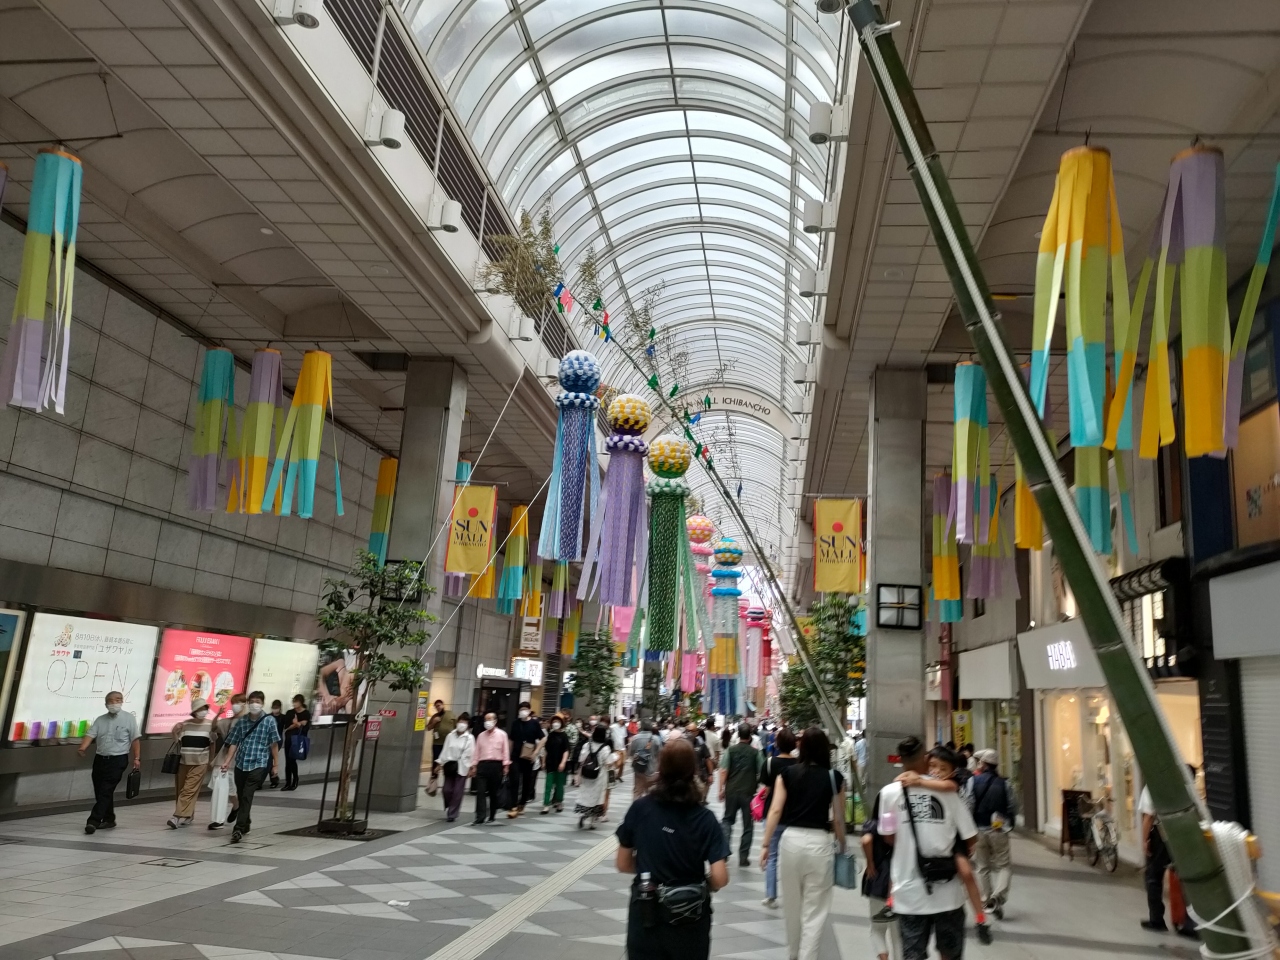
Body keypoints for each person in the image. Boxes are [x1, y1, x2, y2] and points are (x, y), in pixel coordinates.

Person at [616, 738, 731, 960]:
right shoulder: (705, 819)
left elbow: (622, 863)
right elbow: (720, 877)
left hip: (646, 916)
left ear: (660, 767)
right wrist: (703, 883)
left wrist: (649, 866)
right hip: (690, 920)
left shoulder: (640, 809)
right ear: (694, 771)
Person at [877, 737, 979, 960]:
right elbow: (971, 837)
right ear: (925, 758)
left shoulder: (888, 793)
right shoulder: (948, 793)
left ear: (901, 760)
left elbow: (888, 837)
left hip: (908, 894)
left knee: (913, 956)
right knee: (950, 954)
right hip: (948, 895)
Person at [759, 726, 846, 960]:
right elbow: (838, 818)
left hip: (790, 842)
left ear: (802, 747)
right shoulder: (835, 778)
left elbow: (775, 810)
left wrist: (766, 845)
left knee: (792, 906)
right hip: (820, 844)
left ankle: (793, 954)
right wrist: (842, 845)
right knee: (815, 912)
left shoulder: (787, 774)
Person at [901, 747, 990, 942]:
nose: (936, 772)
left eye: (942, 768)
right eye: (933, 766)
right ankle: (891, 901)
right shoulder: (922, 779)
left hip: (956, 835)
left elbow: (946, 787)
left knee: (966, 873)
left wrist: (919, 781)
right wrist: (911, 777)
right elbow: (902, 778)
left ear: (952, 772)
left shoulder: (951, 785)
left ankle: (980, 917)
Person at [1140, 766, 1198, 938]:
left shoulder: (1154, 783)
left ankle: (1156, 920)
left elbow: (1149, 816)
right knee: (1186, 878)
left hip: (1161, 834)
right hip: (1185, 833)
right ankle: (1190, 923)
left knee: (1153, 876)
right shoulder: (1186, 782)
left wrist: (1144, 840)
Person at [220, 690, 282, 844]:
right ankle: (246, 822)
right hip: (241, 763)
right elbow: (234, 742)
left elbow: (274, 744)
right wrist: (227, 761)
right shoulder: (242, 721)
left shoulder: (269, 721)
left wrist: (275, 764)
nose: (255, 704)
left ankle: (238, 828)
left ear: (263, 704)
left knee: (247, 794)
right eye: (252, 701)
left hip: (259, 763)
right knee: (242, 795)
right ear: (248, 703)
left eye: (258, 702)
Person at [77, 691, 141, 834]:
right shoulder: (100, 720)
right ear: (106, 704)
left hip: (118, 759)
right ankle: (109, 818)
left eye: (118, 700)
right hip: (100, 759)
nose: (115, 703)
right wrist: (82, 748)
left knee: (106, 790)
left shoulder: (129, 718)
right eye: (111, 701)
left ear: (122, 701)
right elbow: (90, 734)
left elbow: (135, 739)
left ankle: (93, 821)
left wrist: (137, 758)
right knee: (101, 790)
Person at [968, 749, 1015, 919]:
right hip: (999, 829)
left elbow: (969, 804)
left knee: (982, 867)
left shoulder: (973, 781)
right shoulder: (1005, 783)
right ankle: (998, 895)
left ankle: (987, 900)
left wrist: (969, 829)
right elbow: (1012, 806)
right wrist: (1009, 822)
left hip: (979, 829)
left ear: (983, 764)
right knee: (1004, 866)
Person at [862, 773, 901, 960]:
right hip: (900, 879)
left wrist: (870, 863)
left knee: (877, 928)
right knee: (898, 934)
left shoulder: (873, 824)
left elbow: (866, 840)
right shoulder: (903, 826)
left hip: (878, 878)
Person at [760, 727, 798, 907]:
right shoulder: (799, 764)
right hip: (793, 814)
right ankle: (793, 894)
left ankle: (771, 895)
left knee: (772, 855)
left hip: (772, 813)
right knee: (792, 857)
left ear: (777, 744)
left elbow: (766, 788)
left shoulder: (769, 763)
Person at [719, 722, 763, 868]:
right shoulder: (755, 753)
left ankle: (724, 852)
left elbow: (723, 771)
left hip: (731, 791)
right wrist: (757, 783)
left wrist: (721, 789)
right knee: (747, 825)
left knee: (727, 820)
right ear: (750, 736)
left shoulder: (730, 751)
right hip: (748, 792)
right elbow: (762, 771)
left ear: (738, 735)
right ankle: (743, 857)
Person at [168, 697, 214, 829]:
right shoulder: (185, 725)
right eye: (200, 709)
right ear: (194, 711)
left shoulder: (210, 725)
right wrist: (174, 731)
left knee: (189, 789)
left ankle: (177, 817)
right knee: (181, 789)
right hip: (183, 761)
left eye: (204, 708)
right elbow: (178, 742)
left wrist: (211, 761)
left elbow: (212, 744)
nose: (203, 711)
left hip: (200, 762)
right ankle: (188, 815)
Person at [208, 693, 246, 829]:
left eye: (239, 702)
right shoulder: (228, 721)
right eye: (234, 703)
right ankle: (219, 819)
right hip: (222, 759)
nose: (235, 706)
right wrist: (218, 714)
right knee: (220, 788)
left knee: (231, 790)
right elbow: (214, 727)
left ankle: (235, 808)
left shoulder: (247, 721)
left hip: (237, 760)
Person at [470, 711, 510, 825]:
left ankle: (492, 815)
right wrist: (474, 765)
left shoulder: (502, 734)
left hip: (496, 766)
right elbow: (477, 752)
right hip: (482, 765)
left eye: (489, 719)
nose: (487, 722)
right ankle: (480, 816)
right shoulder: (481, 736)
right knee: (480, 792)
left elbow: (505, 751)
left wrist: (506, 765)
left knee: (493, 792)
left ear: (495, 721)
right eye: (485, 719)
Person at [435, 712, 474, 822]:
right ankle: (449, 804)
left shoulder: (470, 738)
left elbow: (472, 754)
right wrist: (439, 763)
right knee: (446, 790)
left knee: (457, 792)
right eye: (461, 721)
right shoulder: (450, 736)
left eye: (465, 722)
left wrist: (471, 768)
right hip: (450, 765)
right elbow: (445, 750)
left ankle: (452, 814)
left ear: (468, 725)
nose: (462, 724)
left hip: (462, 767)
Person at [507, 701, 544, 818]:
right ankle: (513, 805)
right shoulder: (515, 723)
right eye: (521, 709)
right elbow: (511, 740)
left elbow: (543, 738)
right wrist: (508, 756)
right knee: (514, 780)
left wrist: (536, 752)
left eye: (525, 709)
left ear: (529, 710)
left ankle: (522, 804)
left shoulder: (534, 723)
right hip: (515, 756)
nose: (523, 711)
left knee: (527, 781)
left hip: (528, 757)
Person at [574, 724, 614, 829]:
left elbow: (581, 759)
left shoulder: (587, 745)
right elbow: (609, 762)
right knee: (597, 798)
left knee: (585, 795)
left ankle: (583, 815)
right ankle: (592, 822)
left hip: (586, 774)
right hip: (599, 776)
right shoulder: (605, 748)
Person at [541, 714, 570, 813]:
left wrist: (563, 762)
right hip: (550, 763)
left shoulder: (564, 736)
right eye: (554, 722)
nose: (555, 723)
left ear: (561, 723)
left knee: (559, 785)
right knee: (548, 784)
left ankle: (559, 802)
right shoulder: (550, 735)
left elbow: (566, 750)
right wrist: (543, 762)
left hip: (560, 763)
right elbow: (546, 750)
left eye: (557, 721)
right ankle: (546, 804)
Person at [280, 694, 310, 791]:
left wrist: (297, 723)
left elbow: (305, 727)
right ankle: (288, 782)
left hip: (298, 739)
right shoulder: (290, 712)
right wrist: (298, 724)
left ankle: (295, 780)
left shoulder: (306, 713)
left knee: (292, 760)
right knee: (288, 761)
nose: (294, 704)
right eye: (294, 701)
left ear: (301, 702)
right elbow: (287, 727)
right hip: (289, 738)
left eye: (296, 702)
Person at [628, 719, 663, 797]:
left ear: (641, 727)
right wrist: (658, 769)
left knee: (637, 791)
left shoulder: (635, 738)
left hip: (638, 769)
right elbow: (660, 755)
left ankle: (637, 804)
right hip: (652, 770)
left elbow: (631, 754)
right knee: (651, 793)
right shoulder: (656, 739)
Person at [686, 722, 715, 798]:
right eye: (688, 731)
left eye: (692, 731)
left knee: (699, 797)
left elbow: (708, 759)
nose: (689, 733)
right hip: (685, 778)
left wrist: (710, 774)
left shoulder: (701, 744)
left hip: (698, 777)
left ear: (696, 732)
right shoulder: (682, 744)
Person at [427, 699, 453, 766]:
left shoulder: (450, 714)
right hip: (437, 743)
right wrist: (434, 722)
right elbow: (428, 728)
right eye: (436, 707)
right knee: (436, 760)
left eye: (439, 705)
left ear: (443, 705)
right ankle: (435, 772)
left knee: (447, 762)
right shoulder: (434, 716)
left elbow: (456, 725)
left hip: (448, 742)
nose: (438, 708)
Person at [268, 700, 287, 788]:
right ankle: (274, 778)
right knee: (268, 760)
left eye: (276, 708)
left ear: (280, 708)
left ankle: (274, 779)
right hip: (268, 740)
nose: (275, 709)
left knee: (270, 758)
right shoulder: (268, 717)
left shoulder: (283, 717)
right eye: (274, 707)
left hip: (278, 740)